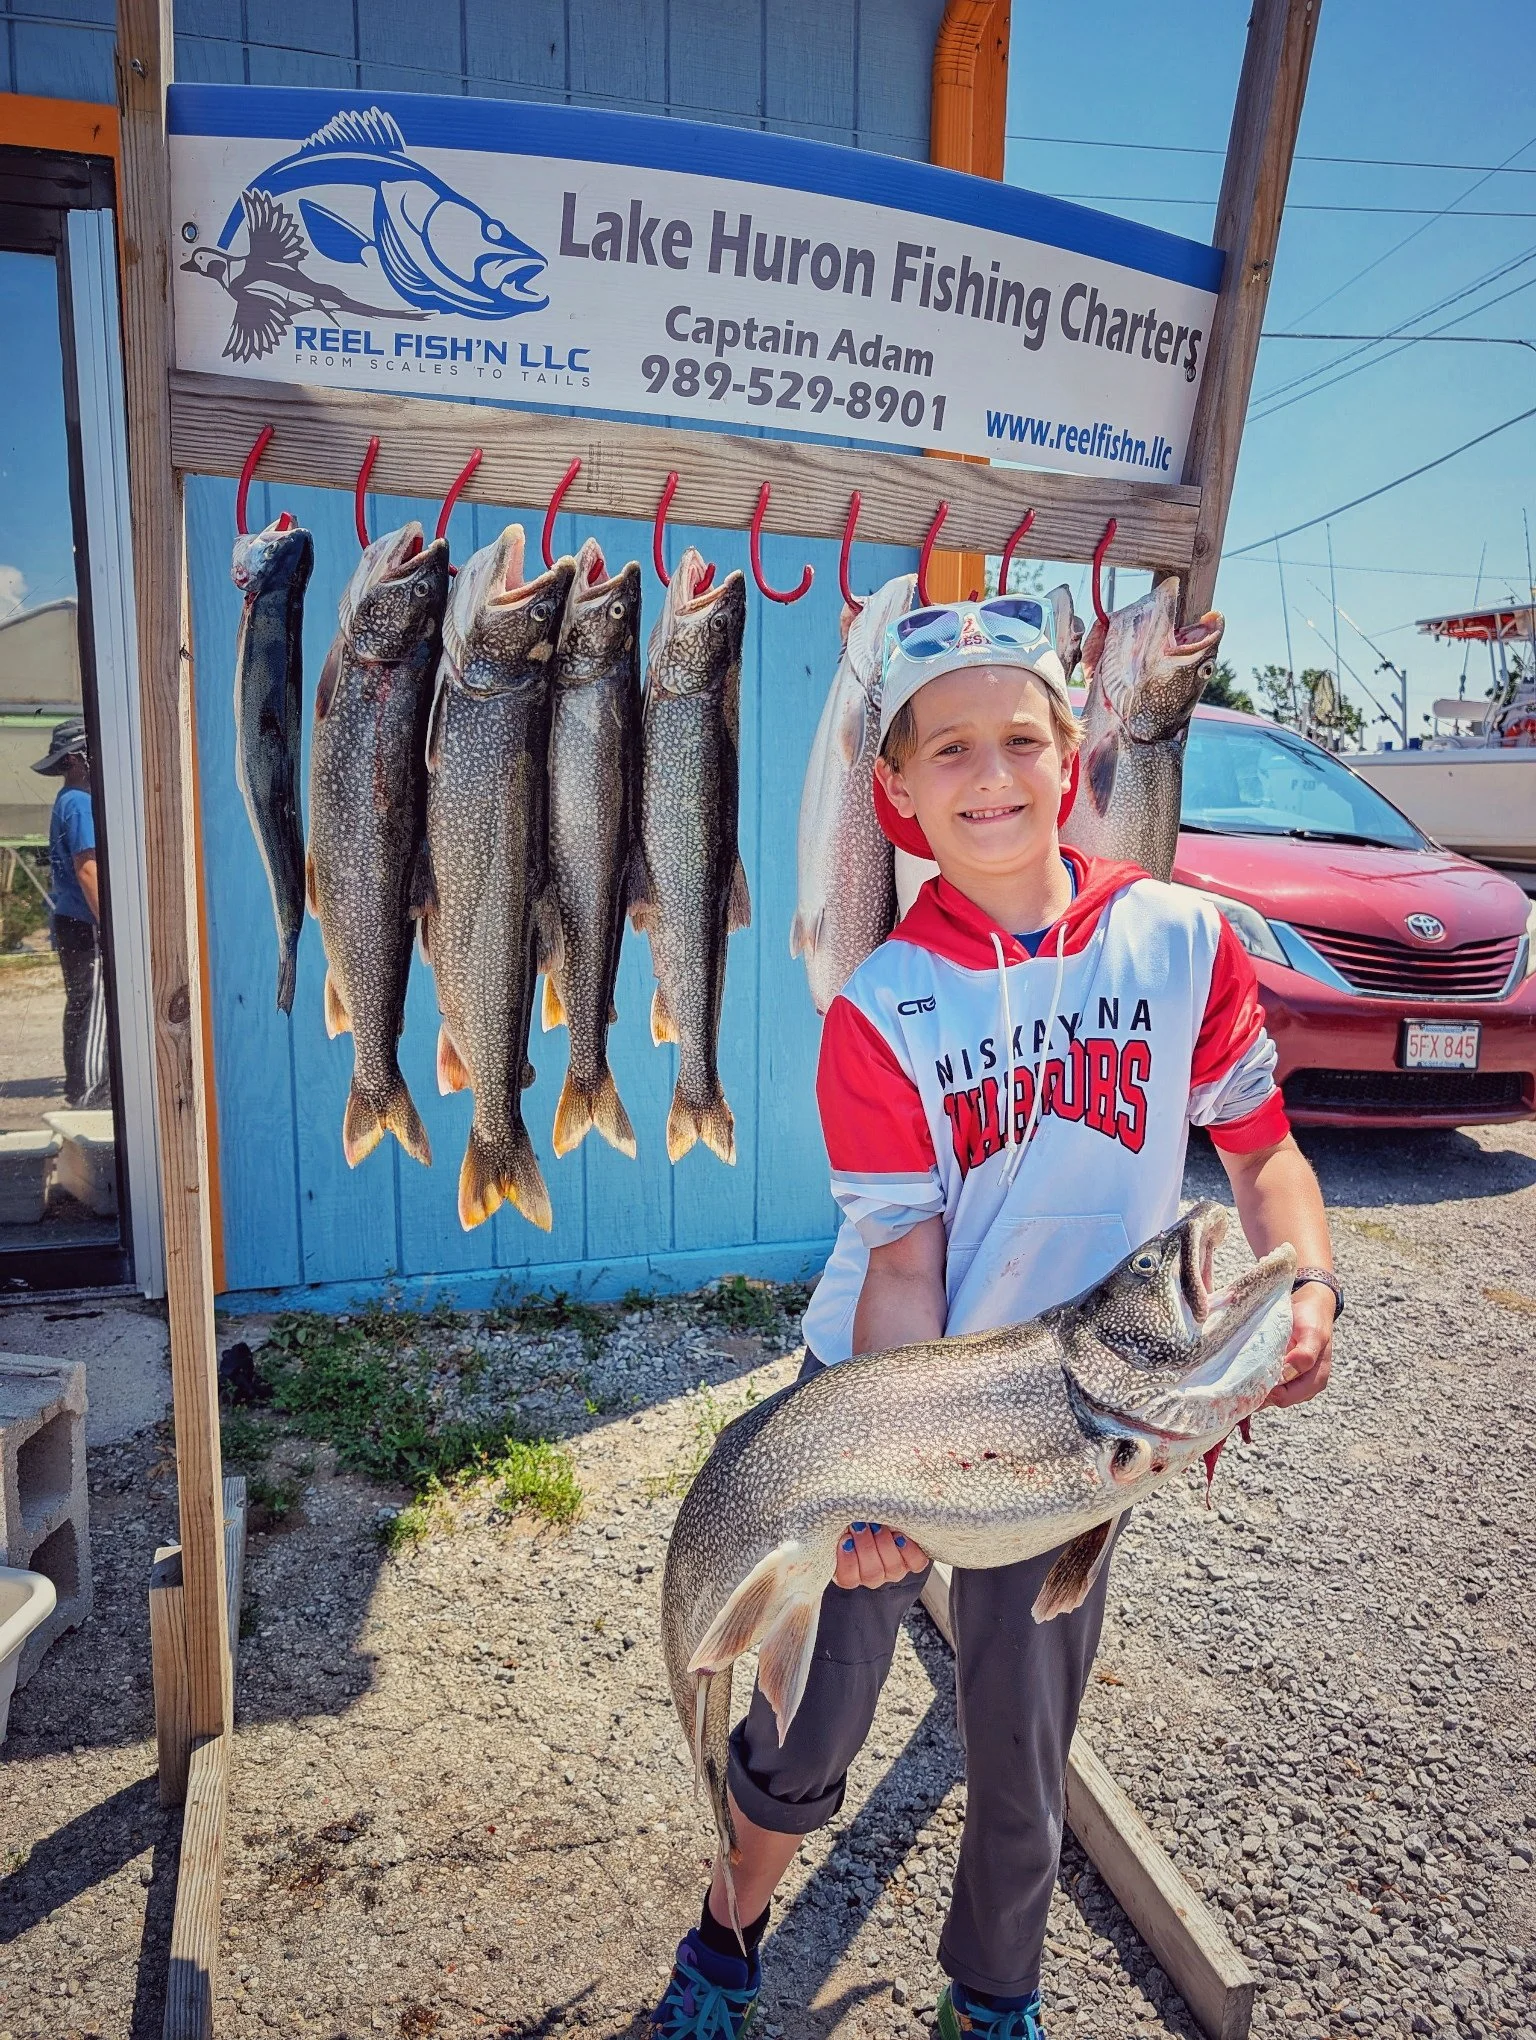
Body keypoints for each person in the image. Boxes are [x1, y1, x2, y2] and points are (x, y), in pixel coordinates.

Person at [650, 596, 1339, 2040]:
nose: (991, 774)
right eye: (947, 749)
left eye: (1020, 736)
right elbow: (904, 1273)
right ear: (893, 795)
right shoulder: (885, 1007)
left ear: (1076, 748)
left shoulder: (1182, 942)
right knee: (809, 1721)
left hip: (1092, 1403)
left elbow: (1262, 1154)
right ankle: (728, 1923)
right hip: (889, 1408)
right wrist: (884, 1487)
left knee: (1024, 1751)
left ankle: (994, 1995)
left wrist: (1310, 1282)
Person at [34, 715, 109, 1110]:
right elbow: (88, 868)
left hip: (69, 919)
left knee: (79, 1002)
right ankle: (90, 1092)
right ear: (79, 758)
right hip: (86, 921)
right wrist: (109, 926)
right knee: (95, 1001)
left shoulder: (67, 801)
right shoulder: (80, 804)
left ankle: (77, 1086)